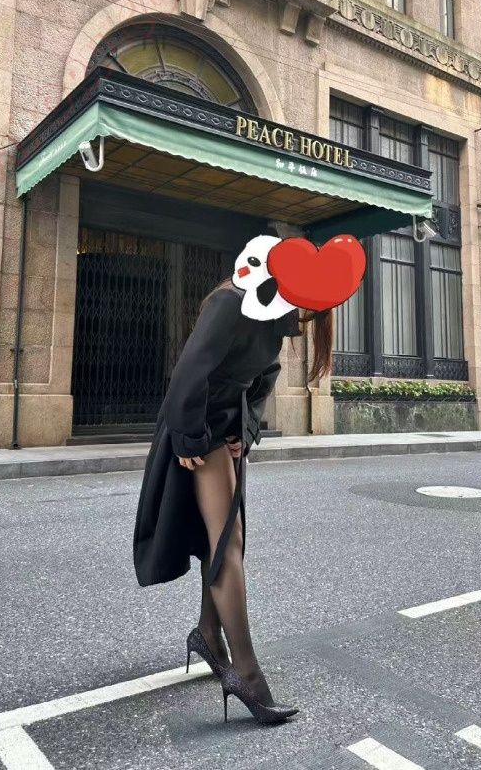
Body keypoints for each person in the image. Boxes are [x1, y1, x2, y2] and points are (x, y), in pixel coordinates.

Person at [133, 275, 333, 725]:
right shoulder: (230, 301)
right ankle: (246, 675)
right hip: (197, 427)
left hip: (225, 430)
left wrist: (246, 428)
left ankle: (209, 634)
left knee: (222, 541)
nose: (307, 315)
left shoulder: (277, 314)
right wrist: (189, 436)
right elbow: (189, 371)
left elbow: (265, 375)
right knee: (227, 543)